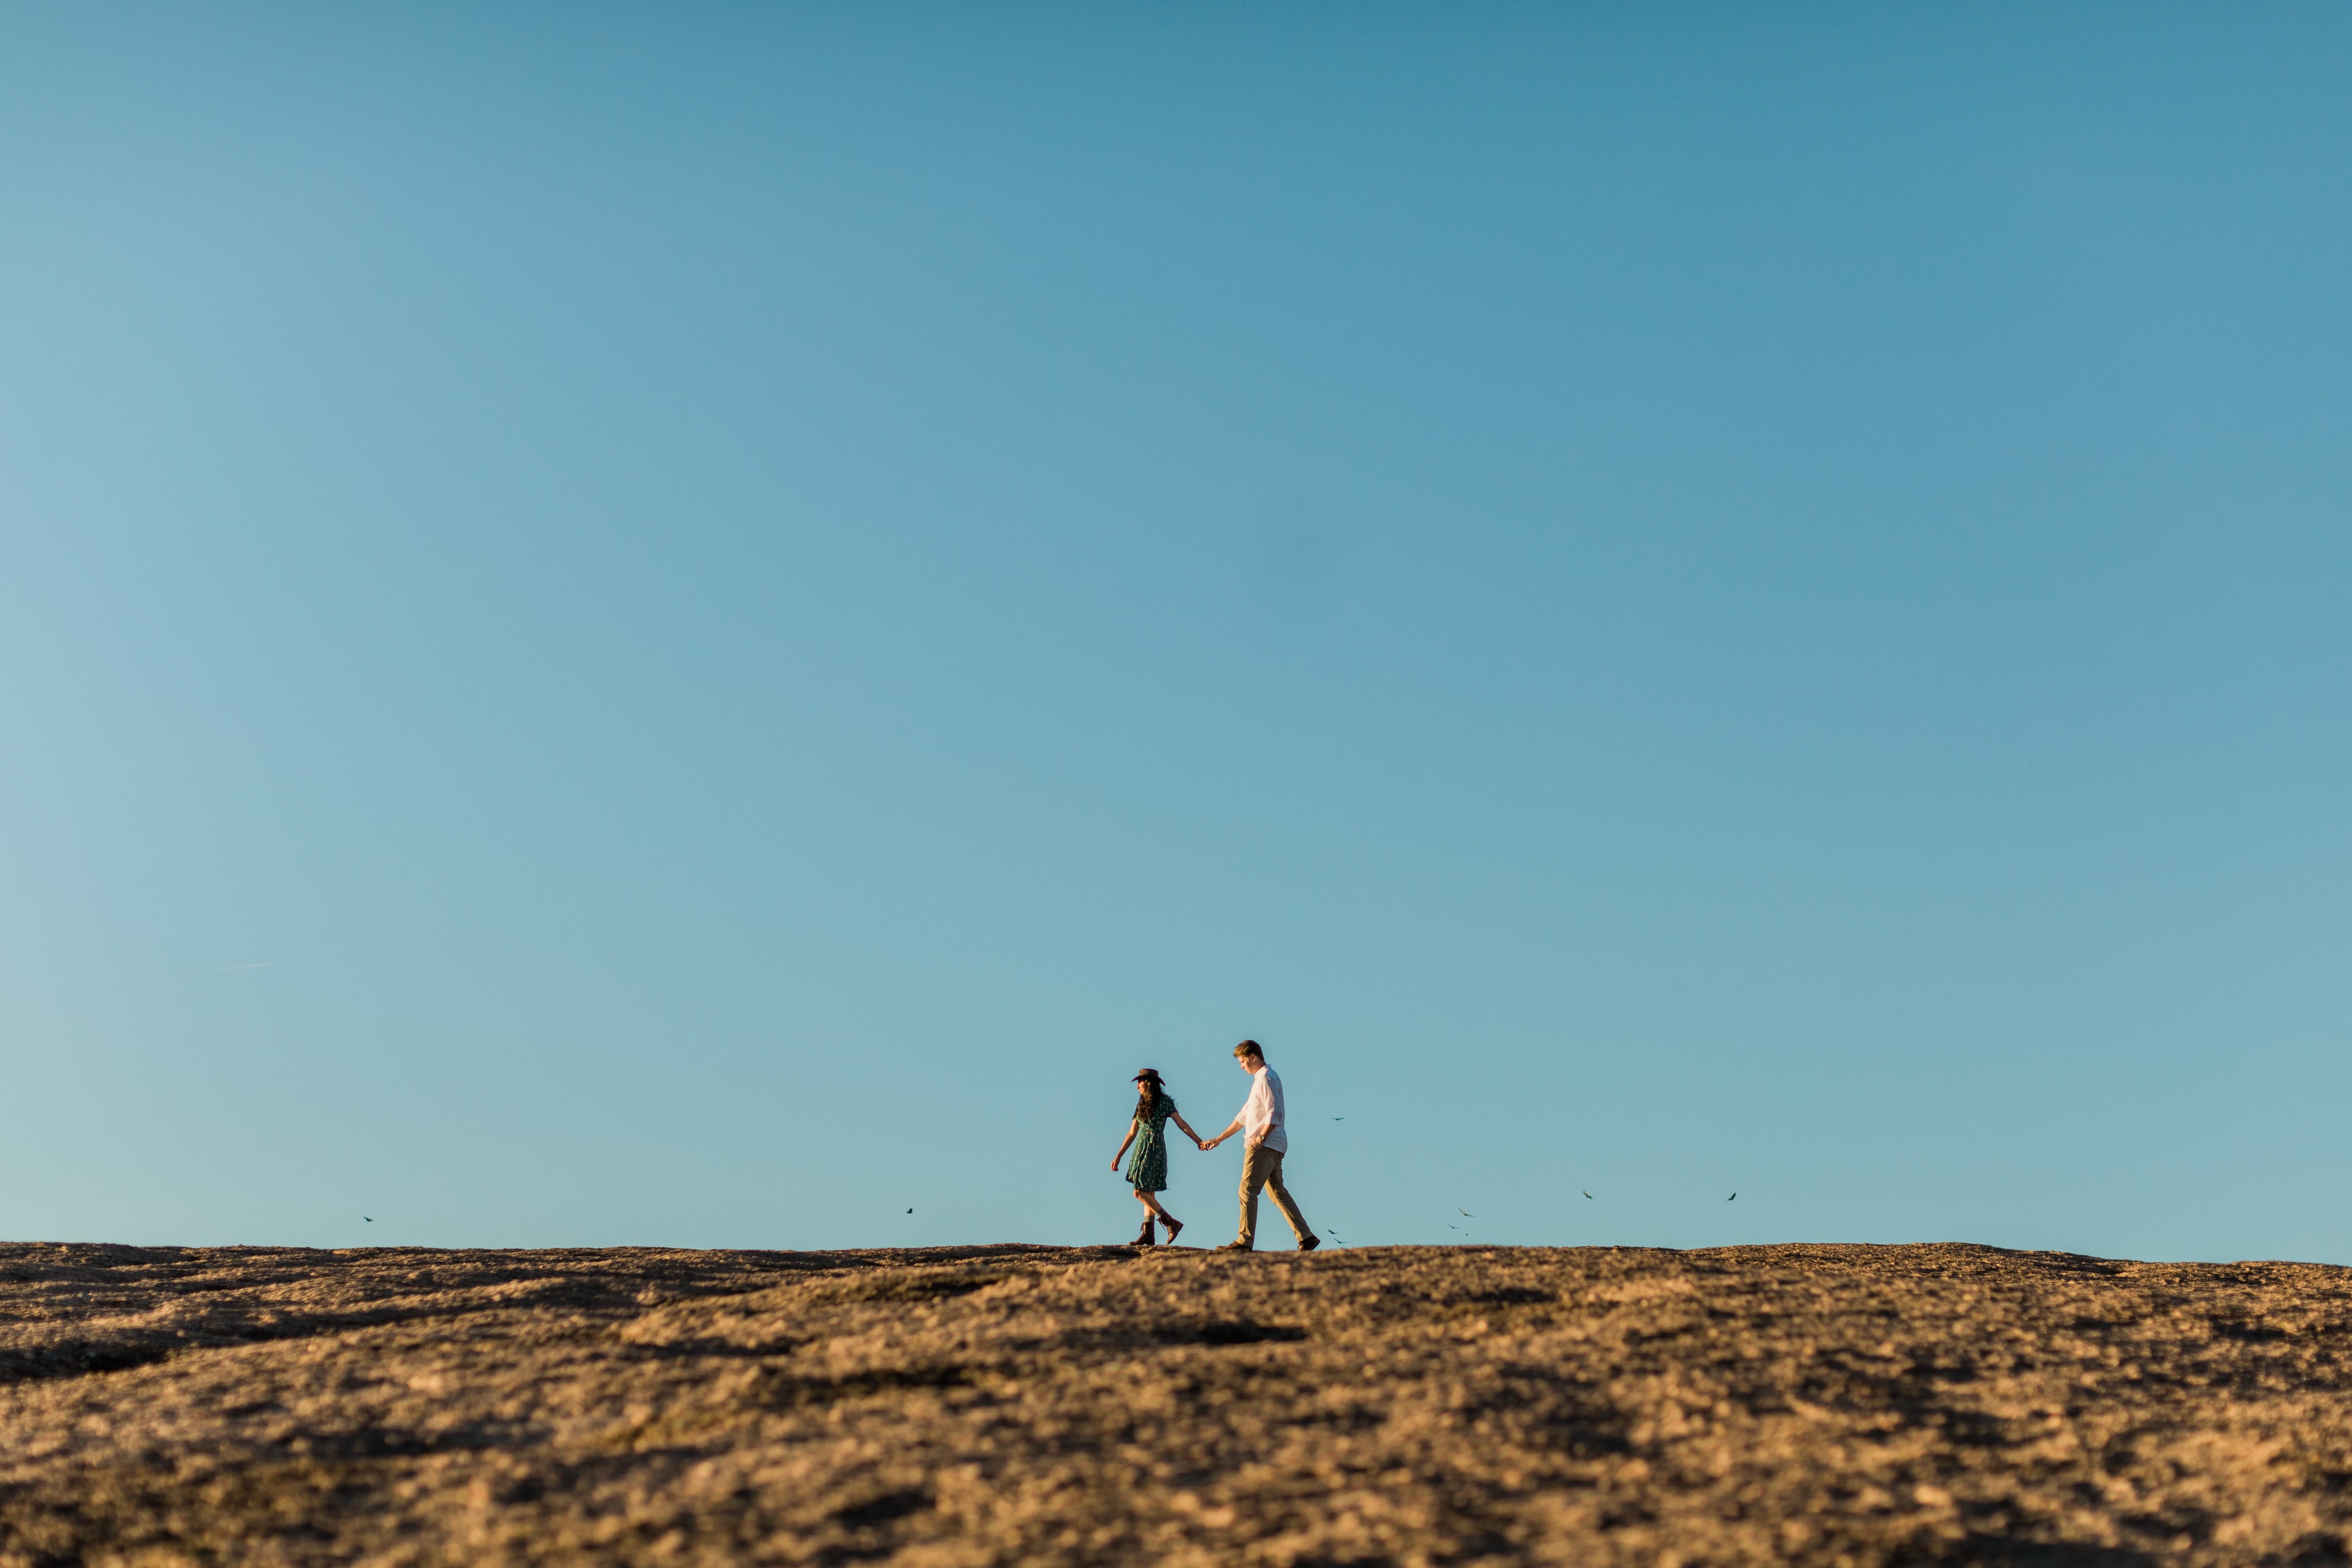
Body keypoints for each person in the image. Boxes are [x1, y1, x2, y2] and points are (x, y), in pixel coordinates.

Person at [1201, 1039, 1318, 1251]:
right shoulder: (1260, 1081)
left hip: (1264, 1146)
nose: (1241, 1066)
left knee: (1247, 1190)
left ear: (1253, 1057)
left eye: (1243, 1061)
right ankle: (1306, 1237)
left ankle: (1244, 1241)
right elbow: (1244, 1116)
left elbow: (1276, 1113)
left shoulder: (1266, 1079)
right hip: (1274, 1145)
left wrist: (1261, 1138)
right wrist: (1219, 1139)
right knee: (1277, 1192)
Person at [1110, 1068, 1208, 1246]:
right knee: (1148, 1192)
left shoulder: (1164, 1102)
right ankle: (1149, 1234)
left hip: (1154, 1148)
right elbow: (1133, 1132)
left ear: (1148, 1083)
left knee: (1139, 1192)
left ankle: (1170, 1222)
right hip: (1140, 1149)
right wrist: (1119, 1155)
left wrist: (1198, 1141)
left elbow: (1181, 1123)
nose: (1137, 1087)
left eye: (1139, 1083)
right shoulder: (1141, 1104)